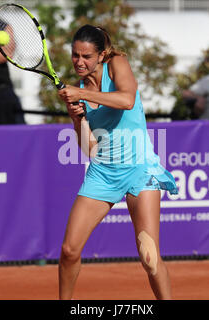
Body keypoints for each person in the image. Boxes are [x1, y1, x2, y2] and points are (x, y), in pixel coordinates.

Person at [57, 25, 178, 300]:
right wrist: (77, 119)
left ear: (101, 55)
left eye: (86, 56)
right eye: (75, 55)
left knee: (149, 255)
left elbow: (126, 99)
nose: (79, 61)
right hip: (102, 172)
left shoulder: (117, 63)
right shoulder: (80, 91)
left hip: (140, 169)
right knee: (69, 251)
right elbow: (89, 149)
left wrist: (82, 95)